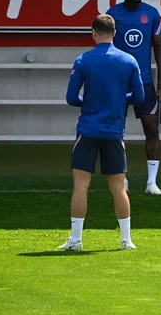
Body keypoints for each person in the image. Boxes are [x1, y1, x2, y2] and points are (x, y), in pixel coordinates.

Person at [59, 14, 145, 252]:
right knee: (118, 187)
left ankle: (76, 240)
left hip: (87, 130)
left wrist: (89, 102)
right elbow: (139, 97)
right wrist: (117, 100)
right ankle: (126, 240)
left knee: (81, 186)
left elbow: (70, 98)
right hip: (114, 132)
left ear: (94, 32)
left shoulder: (83, 60)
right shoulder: (129, 61)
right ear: (115, 33)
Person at [107, 0, 161, 195]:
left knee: (152, 128)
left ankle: (152, 182)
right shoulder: (112, 15)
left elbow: (159, 47)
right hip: (118, 84)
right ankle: (122, 178)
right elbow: (105, 48)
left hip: (145, 83)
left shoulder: (151, 14)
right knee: (116, 131)